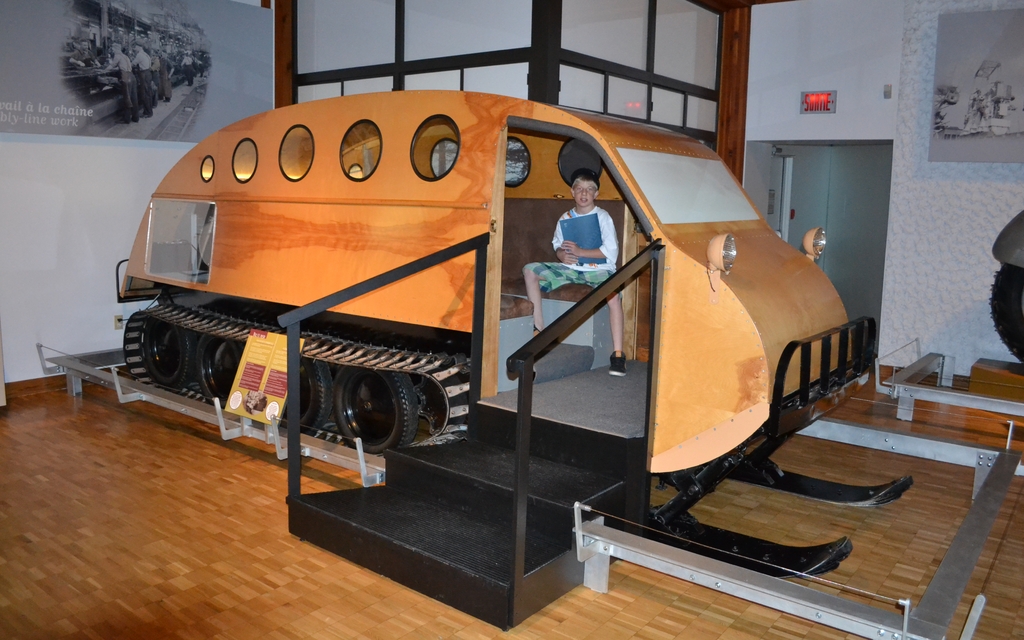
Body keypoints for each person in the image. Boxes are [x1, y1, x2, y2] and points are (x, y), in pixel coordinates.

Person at [523, 168, 627, 376]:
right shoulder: (566, 217)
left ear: (596, 194)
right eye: (579, 188)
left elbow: (611, 252)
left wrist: (581, 251)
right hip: (571, 268)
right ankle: (539, 330)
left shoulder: (602, 216)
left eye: (589, 189)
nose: (584, 193)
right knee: (530, 270)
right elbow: (557, 242)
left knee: (614, 297)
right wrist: (561, 253)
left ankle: (617, 354)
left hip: (599, 269)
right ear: (572, 192)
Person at [102, 43, 138, 123]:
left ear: (115, 49)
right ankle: (136, 118)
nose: (112, 51)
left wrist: (103, 71)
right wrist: (117, 68)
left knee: (126, 98)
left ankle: (127, 119)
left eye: (113, 49)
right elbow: (123, 66)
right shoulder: (125, 56)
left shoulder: (117, 56)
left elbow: (112, 65)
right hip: (132, 77)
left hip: (126, 78)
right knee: (133, 98)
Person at [132, 44, 154, 118]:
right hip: (148, 73)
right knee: (148, 93)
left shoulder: (139, 55)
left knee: (145, 94)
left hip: (144, 74)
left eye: (135, 47)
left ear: (139, 47)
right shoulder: (146, 54)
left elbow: (132, 64)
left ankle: (148, 112)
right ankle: (148, 111)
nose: (134, 48)